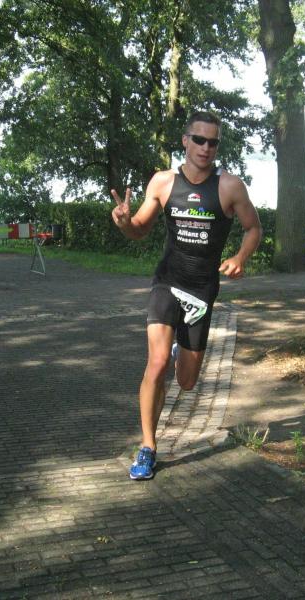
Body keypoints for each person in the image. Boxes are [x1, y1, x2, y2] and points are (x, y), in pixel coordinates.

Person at [111, 111, 262, 480]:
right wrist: (125, 222)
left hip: (201, 291)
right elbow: (139, 230)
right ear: (185, 140)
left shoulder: (230, 186)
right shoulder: (163, 182)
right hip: (167, 283)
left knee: (188, 382)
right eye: (199, 139)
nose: (206, 148)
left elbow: (253, 228)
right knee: (156, 362)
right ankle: (148, 447)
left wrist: (240, 258)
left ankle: (182, 352)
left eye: (213, 142)